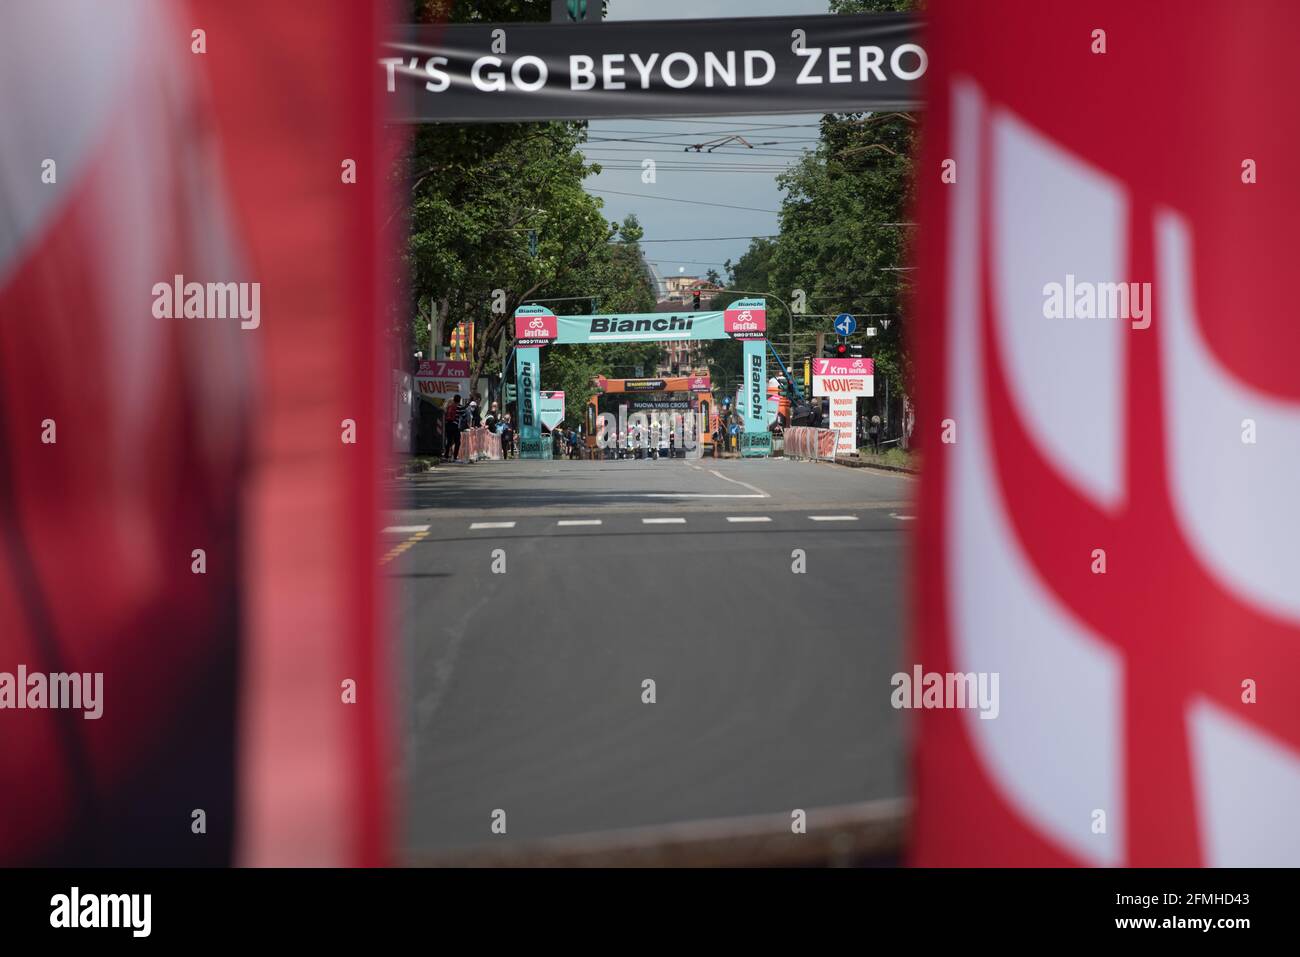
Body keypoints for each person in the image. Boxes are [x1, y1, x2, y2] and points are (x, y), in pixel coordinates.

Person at [443, 395, 461, 461]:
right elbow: (463, 413)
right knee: (457, 442)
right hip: (455, 426)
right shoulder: (457, 407)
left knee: (449, 441)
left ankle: (446, 456)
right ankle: (455, 457)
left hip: (448, 425)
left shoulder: (447, 408)